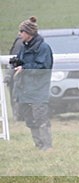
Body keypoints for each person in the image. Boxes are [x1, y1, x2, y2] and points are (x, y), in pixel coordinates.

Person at [11, 17, 53, 150]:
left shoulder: (43, 48)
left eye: (21, 31)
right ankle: (39, 145)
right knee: (30, 120)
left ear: (29, 33)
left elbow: (43, 67)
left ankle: (47, 146)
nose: (19, 34)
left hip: (38, 90)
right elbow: (23, 63)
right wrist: (17, 63)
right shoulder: (24, 47)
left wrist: (24, 68)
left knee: (41, 119)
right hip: (25, 89)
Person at [4, 32, 24, 121]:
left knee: (15, 95)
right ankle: (19, 115)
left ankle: (18, 115)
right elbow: (14, 60)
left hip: (17, 73)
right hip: (18, 73)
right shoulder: (21, 43)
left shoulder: (18, 42)